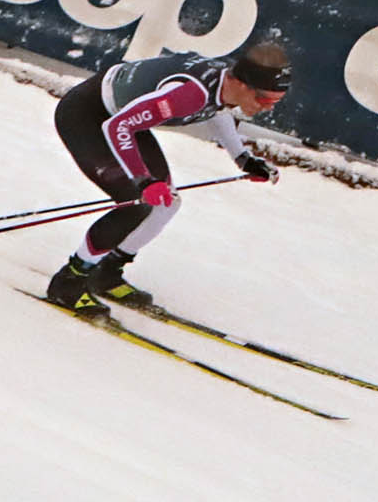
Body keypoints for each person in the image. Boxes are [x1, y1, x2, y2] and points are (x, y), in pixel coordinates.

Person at [45, 39, 288, 314]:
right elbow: (118, 126)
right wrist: (143, 181)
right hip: (88, 118)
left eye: (276, 102)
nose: (269, 108)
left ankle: (107, 272)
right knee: (136, 203)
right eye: (265, 99)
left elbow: (218, 111)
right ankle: (68, 281)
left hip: (121, 121)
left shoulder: (224, 85)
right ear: (243, 84)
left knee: (166, 203)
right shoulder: (188, 94)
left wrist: (243, 158)